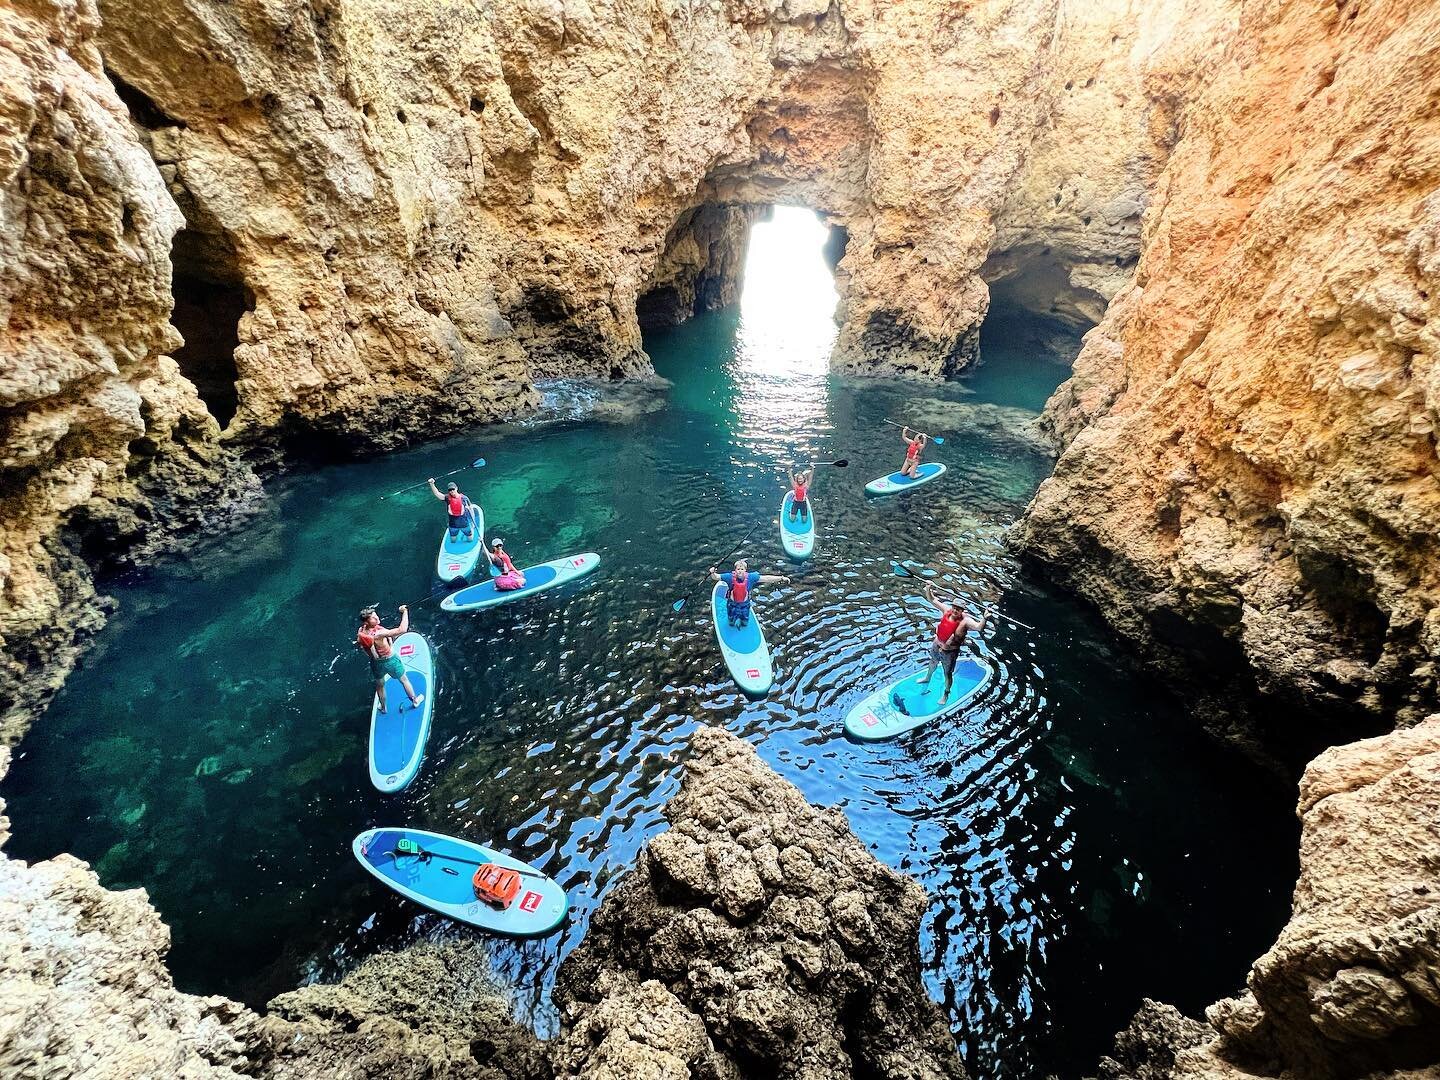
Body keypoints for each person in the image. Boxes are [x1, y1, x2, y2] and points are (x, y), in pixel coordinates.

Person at [917, 582, 986, 699]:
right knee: (932, 662)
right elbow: (932, 600)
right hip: (937, 644)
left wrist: (984, 618)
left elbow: (979, 627)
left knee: (947, 673)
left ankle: (946, 693)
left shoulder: (966, 621)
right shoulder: (946, 610)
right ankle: (927, 678)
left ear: (962, 611)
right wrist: (928, 589)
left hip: (949, 652)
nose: (955, 611)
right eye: (954, 608)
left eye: (958, 609)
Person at [356, 605, 424, 712]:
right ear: (366, 622)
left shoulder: (362, 631)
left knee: (380, 685)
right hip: (390, 660)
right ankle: (415, 701)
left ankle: (383, 708)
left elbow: (363, 646)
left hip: (376, 663)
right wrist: (404, 611)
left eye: (376, 615)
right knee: (404, 680)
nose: (377, 618)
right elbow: (402, 629)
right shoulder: (379, 634)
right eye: (374, 618)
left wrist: (390, 642)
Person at [708, 559, 789, 628]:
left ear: (745, 570)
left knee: (745, 623)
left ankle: (742, 621)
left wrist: (781, 578)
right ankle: (733, 621)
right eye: (738, 569)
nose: (740, 571)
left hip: (745, 604)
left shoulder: (751, 577)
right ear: (735, 570)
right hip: (732, 604)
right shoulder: (729, 576)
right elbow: (716, 577)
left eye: (742, 569)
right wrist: (712, 573)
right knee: (731, 622)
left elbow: (766, 578)